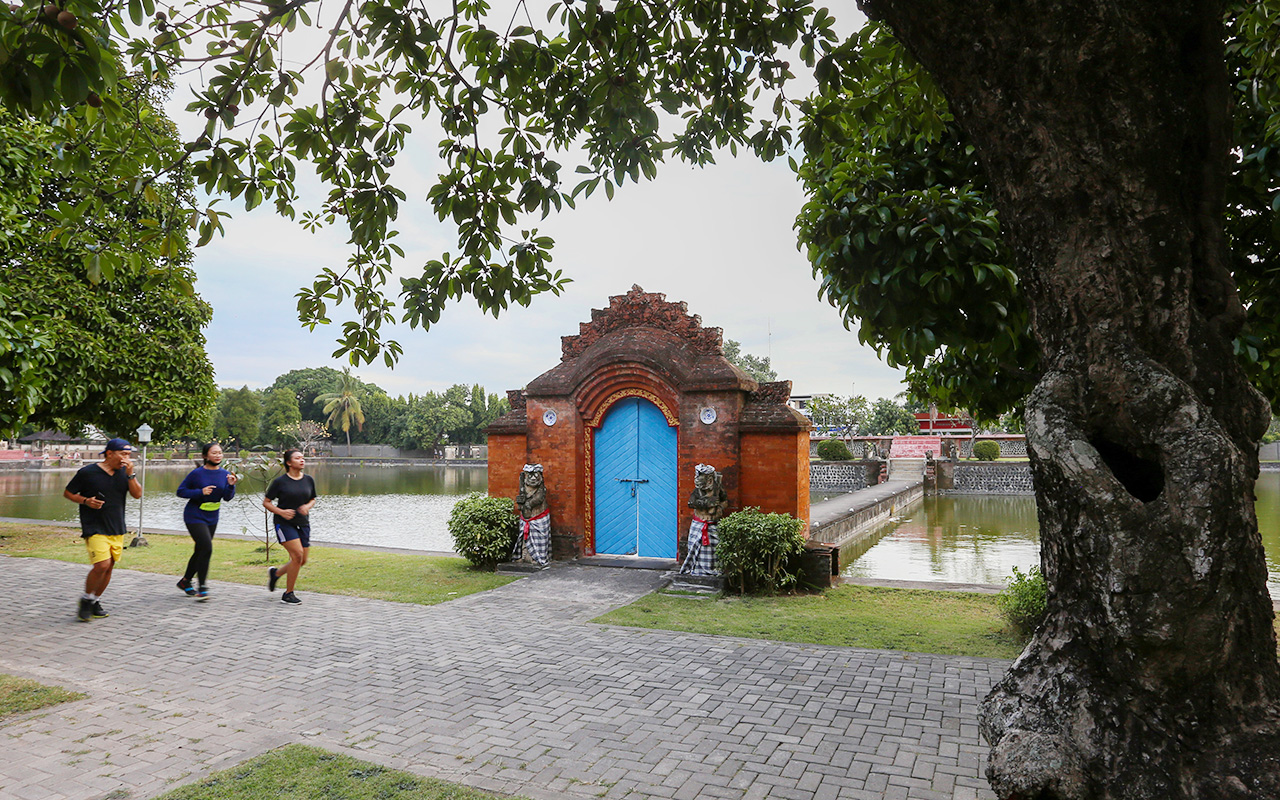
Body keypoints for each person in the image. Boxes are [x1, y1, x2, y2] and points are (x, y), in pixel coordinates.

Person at [62, 438, 143, 622]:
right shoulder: (88, 472)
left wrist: (131, 474)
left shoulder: (125, 473)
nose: (126, 458)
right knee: (102, 565)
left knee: (109, 567)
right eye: (123, 454)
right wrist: (85, 501)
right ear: (109, 453)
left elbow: (137, 495)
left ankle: (94, 600)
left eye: (129, 455)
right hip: (94, 526)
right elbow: (68, 493)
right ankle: (85, 600)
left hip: (117, 526)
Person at [174, 443, 238, 600]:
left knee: (200, 550)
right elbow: (180, 492)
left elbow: (228, 498)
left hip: (212, 516)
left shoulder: (225, 474)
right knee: (207, 548)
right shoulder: (197, 474)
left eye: (220, 453)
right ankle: (202, 586)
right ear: (205, 456)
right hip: (194, 515)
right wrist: (199, 492)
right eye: (214, 453)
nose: (218, 455)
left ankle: (185, 581)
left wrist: (231, 486)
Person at [262, 449, 316, 605]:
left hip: (303, 523)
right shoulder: (280, 482)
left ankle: (276, 574)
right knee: (297, 556)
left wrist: (307, 506)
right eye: (298, 458)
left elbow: (313, 498)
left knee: (302, 560)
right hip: (284, 523)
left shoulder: (308, 480)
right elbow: (266, 502)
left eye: (303, 458)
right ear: (289, 462)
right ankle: (288, 594)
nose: (302, 460)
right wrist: (282, 512)